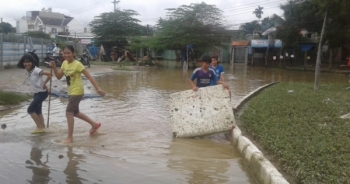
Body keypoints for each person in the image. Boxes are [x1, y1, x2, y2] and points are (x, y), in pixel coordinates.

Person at [50, 45, 106, 143]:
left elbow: (89, 77)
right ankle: (94, 125)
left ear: (73, 54)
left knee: (68, 113)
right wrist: (54, 67)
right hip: (71, 91)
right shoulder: (64, 63)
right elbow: (58, 76)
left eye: (69, 53)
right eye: (64, 53)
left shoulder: (77, 64)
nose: (66, 55)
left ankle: (70, 137)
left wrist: (98, 89)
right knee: (75, 113)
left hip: (77, 91)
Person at [17, 54, 52, 134]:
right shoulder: (29, 71)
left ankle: (39, 127)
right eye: (25, 62)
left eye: (29, 62)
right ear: (22, 63)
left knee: (30, 110)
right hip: (36, 93)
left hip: (42, 93)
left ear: (32, 62)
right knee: (38, 111)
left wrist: (44, 83)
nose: (27, 64)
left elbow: (50, 74)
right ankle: (43, 127)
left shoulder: (36, 70)